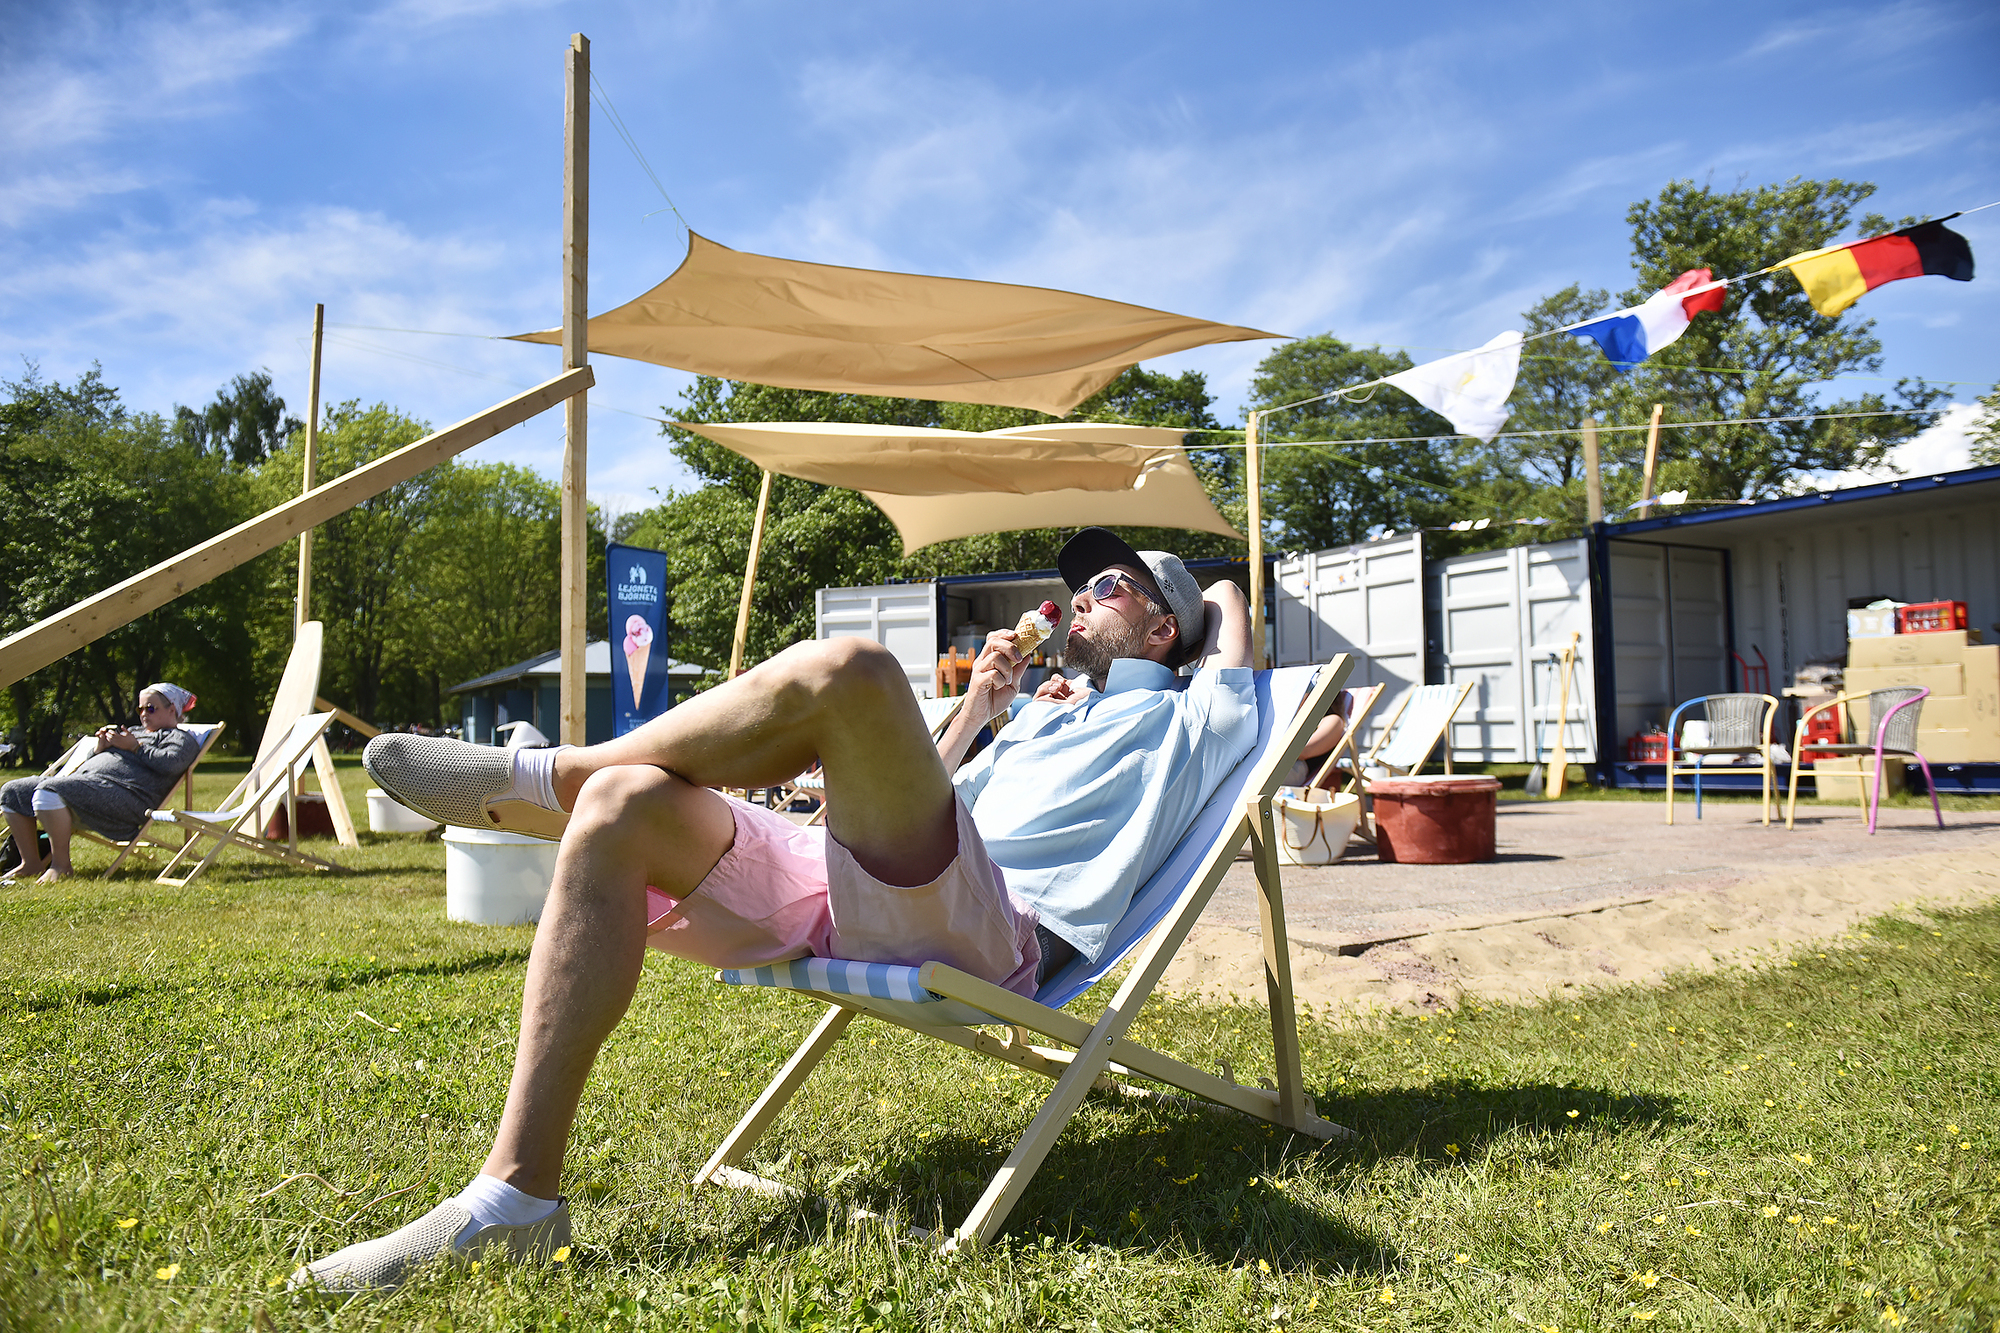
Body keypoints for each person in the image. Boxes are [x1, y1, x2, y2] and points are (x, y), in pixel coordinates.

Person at [291, 528, 1258, 1292]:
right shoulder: (1043, 711)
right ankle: (514, 1201)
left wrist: (1206, 595)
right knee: (621, 803)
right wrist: (980, 708)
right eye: (1082, 587)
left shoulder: (1190, 717)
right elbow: (925, 795)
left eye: (1112, 587)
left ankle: (549, 772)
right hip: (870, 875)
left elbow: (1228, 604)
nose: (1081, 598)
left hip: (987, 931)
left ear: (1163, 631)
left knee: (855, 671)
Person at [0, 684, 204, 883]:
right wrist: (100, 748)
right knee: (12, 791)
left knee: (49, 790)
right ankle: (31, 863)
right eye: (140, 709)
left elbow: (172, 764)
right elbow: (92, 763)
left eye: (150, 708)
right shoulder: (133, 732)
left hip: (127, 798)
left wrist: (136, 747)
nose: (144, 714)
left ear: (172, 710)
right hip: (90, 785)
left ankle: (61, 866)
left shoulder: (180, 739)